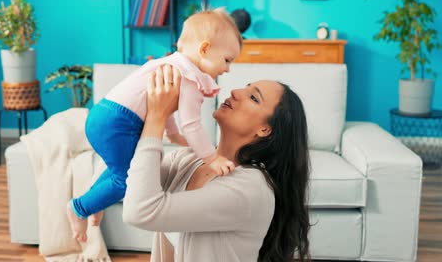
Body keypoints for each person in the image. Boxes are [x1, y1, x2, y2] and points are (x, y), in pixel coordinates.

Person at [67, 8, 243, 242]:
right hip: (120, 124)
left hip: (103, 115)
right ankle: (79, 207)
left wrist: (172, 134)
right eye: (227, 60)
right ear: (204, 49)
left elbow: (161, 105)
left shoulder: (170, 65)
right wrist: (212, 158)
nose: (228, 68)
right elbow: (192, 124)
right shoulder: (189, 77)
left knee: (119, 169)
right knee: (128, 180)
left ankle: (94, 200)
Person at [123, 65, 311, 262]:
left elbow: (140, 211)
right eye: (245, 88)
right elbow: (131, 178)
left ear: (264, 129)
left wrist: (157, 116)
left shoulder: (250, 187)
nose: (235, 92)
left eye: (253, 98)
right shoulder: (186, 159)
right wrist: (95, 202)